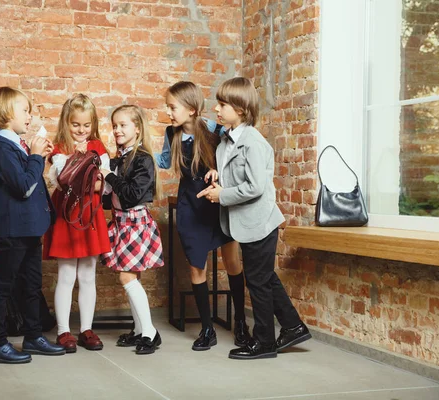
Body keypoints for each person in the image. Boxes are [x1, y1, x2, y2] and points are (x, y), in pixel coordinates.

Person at [198, 77, 312, 359]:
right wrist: (216, 176)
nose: (216, 109)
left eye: (222, 105)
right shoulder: (226, 141)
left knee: (258, 281)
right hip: (245, 223)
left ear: (240, 108)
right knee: (264, 277)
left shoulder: (253, 142)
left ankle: (265, 342)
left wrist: (221, 196)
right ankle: (293, 326)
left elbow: (255, 187)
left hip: (259, 223)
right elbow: (233, 174)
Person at [155, 81, 250, 351]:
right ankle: (207, 329)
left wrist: (221, 174)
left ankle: (241, 323)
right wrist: (137, 155)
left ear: (192, 109)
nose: (169, 112)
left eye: (173, 107)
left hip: (219, 202)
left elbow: (232, 155)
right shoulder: (171, 133)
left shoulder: (215, 129)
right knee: (197, 265)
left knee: (232, 261)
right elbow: (163, 160)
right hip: (190, 205)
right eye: (168, 107)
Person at [0, 86, 65, 364]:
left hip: (29, 229)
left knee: (31, 286)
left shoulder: (16, 146)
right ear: (6, 114)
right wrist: (36, 157)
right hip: (13, 231)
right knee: (3, 286)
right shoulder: (3, 149)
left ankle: (33, 335)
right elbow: (24, 187)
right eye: (25, 110)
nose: (30, 116)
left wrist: (33, 155)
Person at [43, 94, 111, 353]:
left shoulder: (99, 147)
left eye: (86, 125)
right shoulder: (60, 148)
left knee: (87, 275)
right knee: (66, 275)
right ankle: (63, 330)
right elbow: (62, 181)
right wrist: (82, 169)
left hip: (90, 215)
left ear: (92, 123)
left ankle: (86, 329)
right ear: (66, 123)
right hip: (67, 214)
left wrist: (88, 178)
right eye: (75, 125)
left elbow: (104, 185)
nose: (81, 131)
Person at [99, 105, 164, 355]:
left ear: (137, 128)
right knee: (132, 277)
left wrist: (109, 177)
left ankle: (150, 333)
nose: (117, 130)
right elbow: (111, 198)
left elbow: (131, 195)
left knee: (127, 277)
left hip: (135, 222)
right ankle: (139, 330)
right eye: (114, 125)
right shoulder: (122, 157)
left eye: (123, 125)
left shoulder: (143, 158)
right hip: (121, 222)